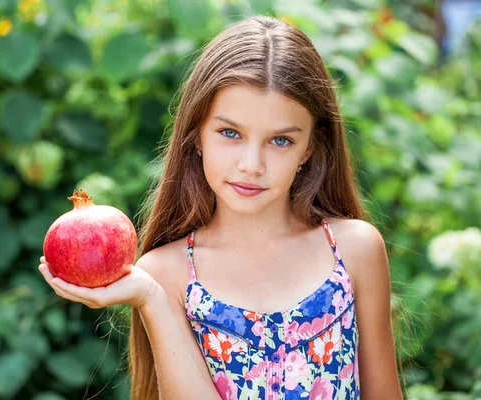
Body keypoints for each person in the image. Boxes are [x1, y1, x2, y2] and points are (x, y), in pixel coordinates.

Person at [38, 15, 403, 400]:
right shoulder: (166, 274)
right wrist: (151, 299)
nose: (251, 164)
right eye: (230, 133)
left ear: (309, 149)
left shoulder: (353, 251)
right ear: (196, 135)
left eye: (280, 141)